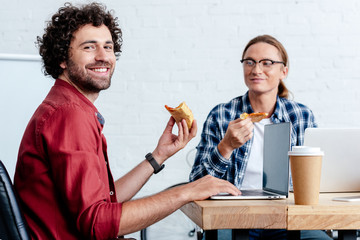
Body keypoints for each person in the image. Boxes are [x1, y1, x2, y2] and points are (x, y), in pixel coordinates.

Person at [13, 3, 240, 240]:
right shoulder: (70, 115)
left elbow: (105, 201)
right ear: (62, 58)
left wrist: (158, 156)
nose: (103, 57)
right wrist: (186, 192)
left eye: (108, 47)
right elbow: (96, 223)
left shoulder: (69, 107)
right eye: (89, 47)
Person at [189, 35, 332, 240]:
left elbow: (319, 180)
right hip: (232, 219)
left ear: (284, 71)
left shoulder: (301, 116)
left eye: (267, 63)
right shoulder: (221, 115)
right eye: (250, 62)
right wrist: (225, 147)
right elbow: (195, 182)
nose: (256, 70)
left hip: (288, 219)